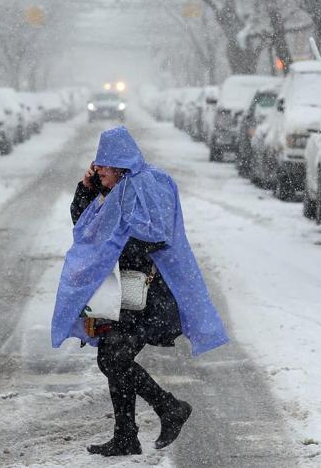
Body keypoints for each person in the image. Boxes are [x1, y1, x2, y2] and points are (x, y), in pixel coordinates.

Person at [51, 126, 229, 457]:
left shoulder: (150, 183)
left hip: (151, 291)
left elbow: (157, 234)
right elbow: (84, 224)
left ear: (119, 163)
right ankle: (130, 432)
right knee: (112, 356)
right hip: (124, 293)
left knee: (113, 356)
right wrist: (86, 189)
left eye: (102, 164)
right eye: (97, 164)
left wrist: (115, 244)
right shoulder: (112, 191)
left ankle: (165, 411)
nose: (98, 168)